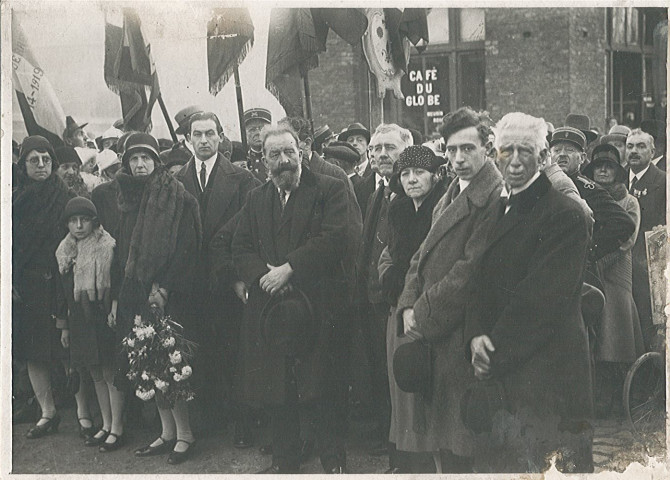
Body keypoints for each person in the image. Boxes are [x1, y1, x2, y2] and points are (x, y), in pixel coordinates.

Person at [465, 112, 593, 473]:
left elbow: (541, 300)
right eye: (508, 150)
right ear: (495, 154)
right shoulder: (494, 209)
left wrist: (490, 351)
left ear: (544, 155)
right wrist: (474, 336)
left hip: (547, 376)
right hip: (504, 370)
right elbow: (475, 280)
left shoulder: (564, 214)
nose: (516, 160)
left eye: (526, 150)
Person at [232, 123, 350, 474]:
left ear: (301, 152)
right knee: (278, 388)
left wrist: (290, 268)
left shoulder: (330, 189)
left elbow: (336, 238)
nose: (283, 161)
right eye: (274, 155)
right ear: (263, 160)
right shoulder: (256, 198)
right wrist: (264, 275)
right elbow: (240, 246)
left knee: (323, 388)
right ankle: (284, 462)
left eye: (289, 152)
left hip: (318, 306)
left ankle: (334, 463)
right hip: (272, 310)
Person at [393, 108, 504, 473]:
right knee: (440, 441)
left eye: (468, 149)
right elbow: (420, 256)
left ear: (487, 147)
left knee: (463, 445)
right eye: (452, 150)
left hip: (458, 331)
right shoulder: (454, 190)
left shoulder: (494, 196)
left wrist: (421, 313)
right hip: (433, 330)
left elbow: (469, 272)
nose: (458, 159)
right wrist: (407, 304)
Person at [111, 132, 201, 462]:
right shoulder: (126, 198)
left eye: (145, 158)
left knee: (171, 361)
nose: (139, 164)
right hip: (135, 292)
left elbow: (187, 248)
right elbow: (121, 250)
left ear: (156, 161)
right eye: (133, 159)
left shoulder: (175, 194)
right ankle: (166, 432)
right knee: (147, 362)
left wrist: (163, 288)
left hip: (168, 293)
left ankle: (186, 434)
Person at [174, 111, 260, 446]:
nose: (205, 140)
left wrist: (235, 277)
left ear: (222, 136)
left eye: (211, 133)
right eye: (198, 134)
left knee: (234, 350)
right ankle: (210, 417)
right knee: (200, 350)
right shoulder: (178, 180)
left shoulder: (241, 179)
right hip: (193, 282)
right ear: (188, 140)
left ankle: (242, 420)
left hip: (226, 281)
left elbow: (244, 231)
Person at [377, 145, 448, 473]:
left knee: (428, 389)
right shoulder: (399, 210)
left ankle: (434, 461)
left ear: (434, 175)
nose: (412, 179)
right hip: (399, 310)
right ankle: (408, 459)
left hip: (430, 312)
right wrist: (389, 277)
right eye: (405, 173)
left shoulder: (443, 209)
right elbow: (389, 253)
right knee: (402, 385)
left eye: (419, 172)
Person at [356, 123, 412, 467]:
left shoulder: (411, 189)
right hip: (371, 297)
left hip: (398, 298)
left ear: (406, 149)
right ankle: (389, 438)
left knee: (400, 374)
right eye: (375, 149)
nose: (381, 155)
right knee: (379, 371)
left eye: (389, 148)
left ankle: (404, 449)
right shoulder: (372, 190)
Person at [12, 135, 74, 439]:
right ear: (23, 165)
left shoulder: (63, 197)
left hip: (59, 282)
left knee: (66, 348)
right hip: (27, 285)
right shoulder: (17, 198)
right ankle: (47, 413)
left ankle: (85, 413)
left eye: (46, 159)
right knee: (33, 351)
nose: (40, 165)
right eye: (33, 160)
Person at [55, 197, 123, 445]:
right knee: (94, 372)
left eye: (84, 220)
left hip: (102, 316)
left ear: (95, 221)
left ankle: (117, 426)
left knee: (109, 371)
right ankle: (105, 424)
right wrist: (64, 325)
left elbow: (116, 282)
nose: (79, 226)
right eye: (73, 221)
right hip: (81, 319)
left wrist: (114, 307)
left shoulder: (107, 246)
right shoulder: (66, 250)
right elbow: (62, 292)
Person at [582, 144, 643, 416]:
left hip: (615, 273)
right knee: (596, 341)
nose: (603, 170)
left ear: (618, 172)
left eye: (609, 166)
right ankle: (599, 397)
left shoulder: (628, 201)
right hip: (593, 275)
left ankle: (619, 399)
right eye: (598, 166)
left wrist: (594, 261)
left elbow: (625, 241)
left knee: (615, 337)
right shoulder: (589, 197)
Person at [626, 128, 667, 350]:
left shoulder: (663, 182)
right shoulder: (619, 179)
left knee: (646, 328)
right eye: (630, 146)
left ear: (652, 152)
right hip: (622, 269)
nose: (634, 151)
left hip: (649, 270)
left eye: (641, 146)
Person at [244, 107, 272, 181]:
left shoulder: (277, 155)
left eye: (261, 128)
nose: (257, 133)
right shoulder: (243, 159)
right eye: (252, 129)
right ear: (245, 133)